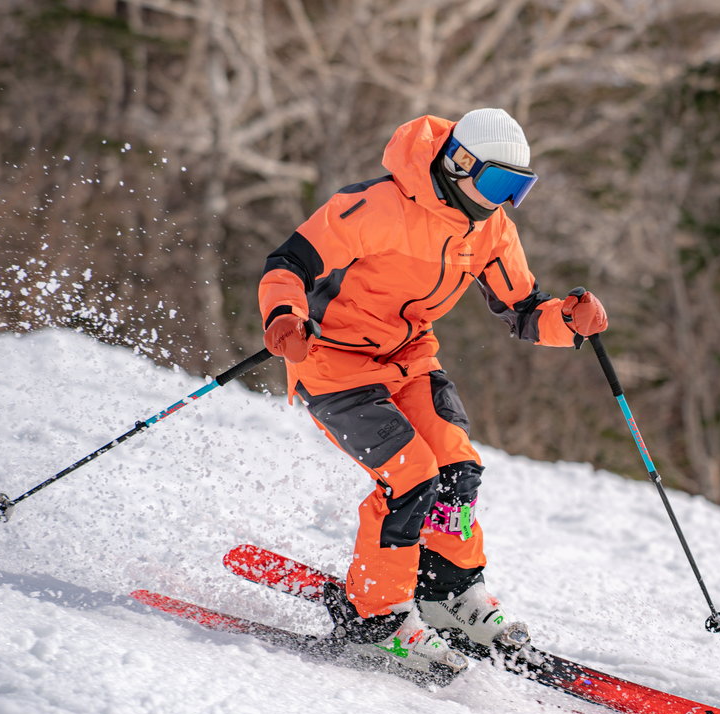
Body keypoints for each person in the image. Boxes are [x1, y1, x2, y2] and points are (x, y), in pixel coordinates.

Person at [257, 108, 608, 678]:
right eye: (497, 183)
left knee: (456, 471)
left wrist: (569, 321)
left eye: (518, 189)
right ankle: (374, 619)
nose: (503, 200)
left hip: (409, 359)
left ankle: (445, 594)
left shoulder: (492, 229)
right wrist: (283, 315)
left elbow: (522, 310)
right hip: (334, 364)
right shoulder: (375, 206)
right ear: (458, 163)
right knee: (410, 476)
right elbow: (288, 264)